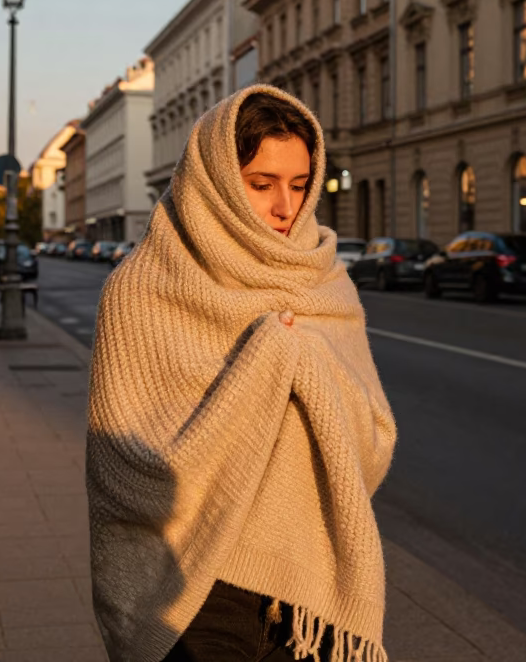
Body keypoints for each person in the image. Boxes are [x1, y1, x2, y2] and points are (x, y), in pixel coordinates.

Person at [88, 87, 397, 662]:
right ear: (219, 183)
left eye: (299, 184)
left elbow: (374, 444)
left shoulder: (323, 283)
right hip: (193, 586)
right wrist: (266, 361)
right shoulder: (142, 289)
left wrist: (305, 359)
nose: (286, 207)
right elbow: (123, 473)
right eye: (261, 184)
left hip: (306, 595)